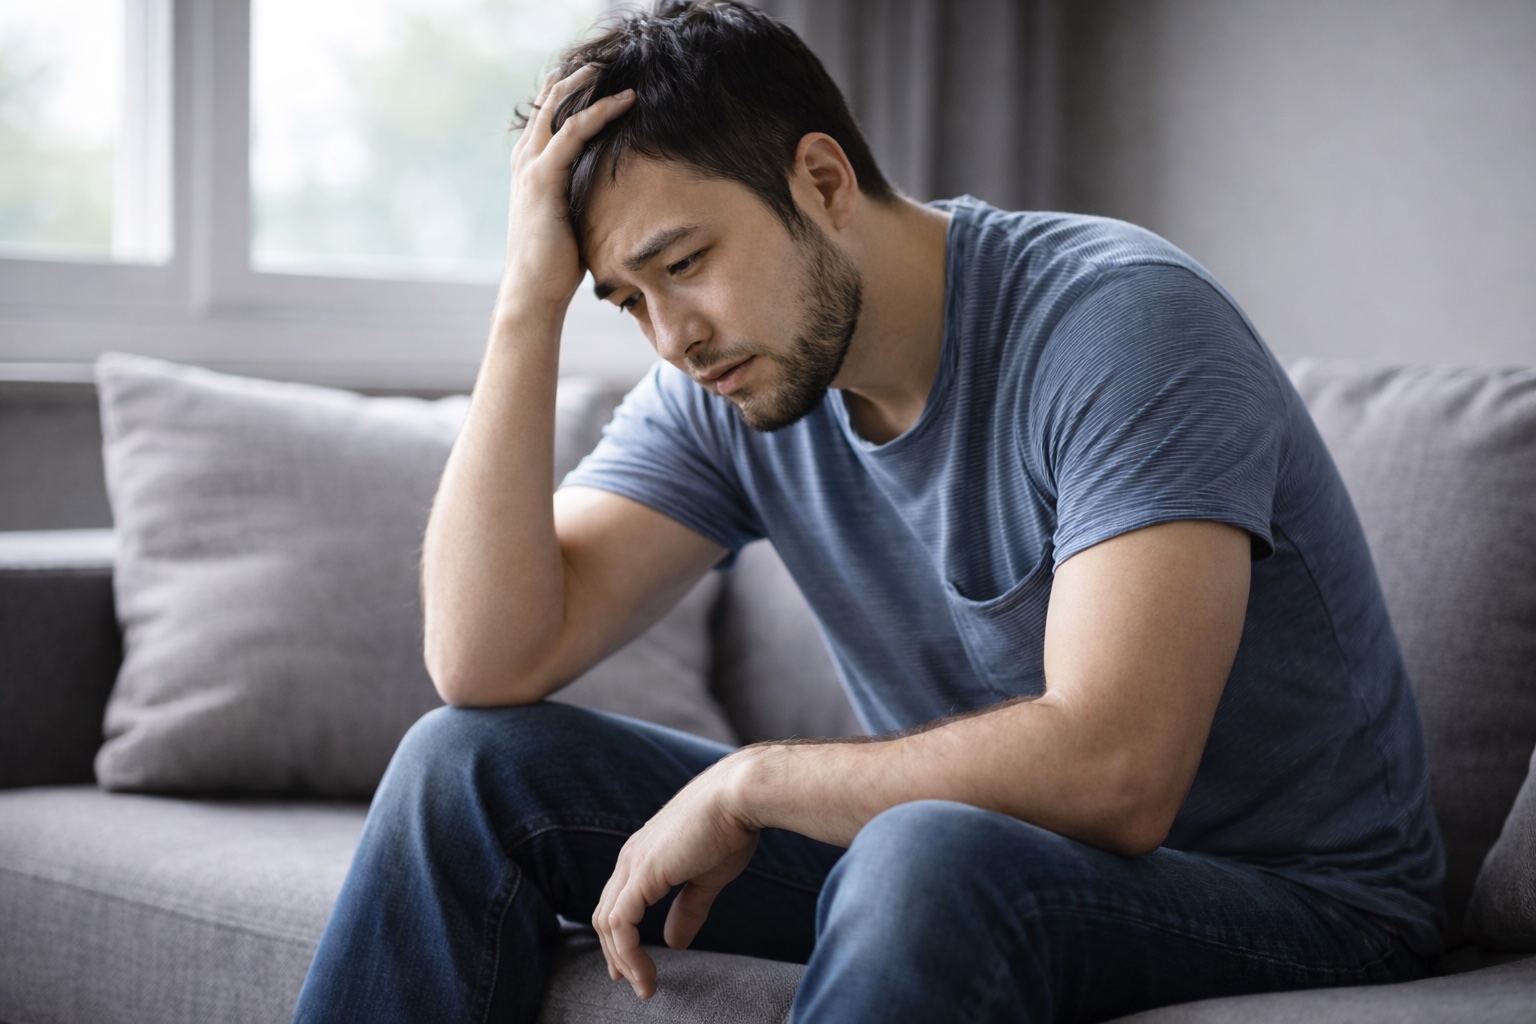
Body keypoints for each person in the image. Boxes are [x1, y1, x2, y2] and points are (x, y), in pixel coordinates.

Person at [292, 2, 1445, 1021]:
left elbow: (1118, 770)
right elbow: (485, 661)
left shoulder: (1121, 325)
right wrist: (523, 304)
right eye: (627, 300)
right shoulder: (733, 383)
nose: (671, 337)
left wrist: (753, 780)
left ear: (824, 182)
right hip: (976, 859)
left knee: (922, 849)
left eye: (684, 262)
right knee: (467, 765)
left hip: (1304, 902)